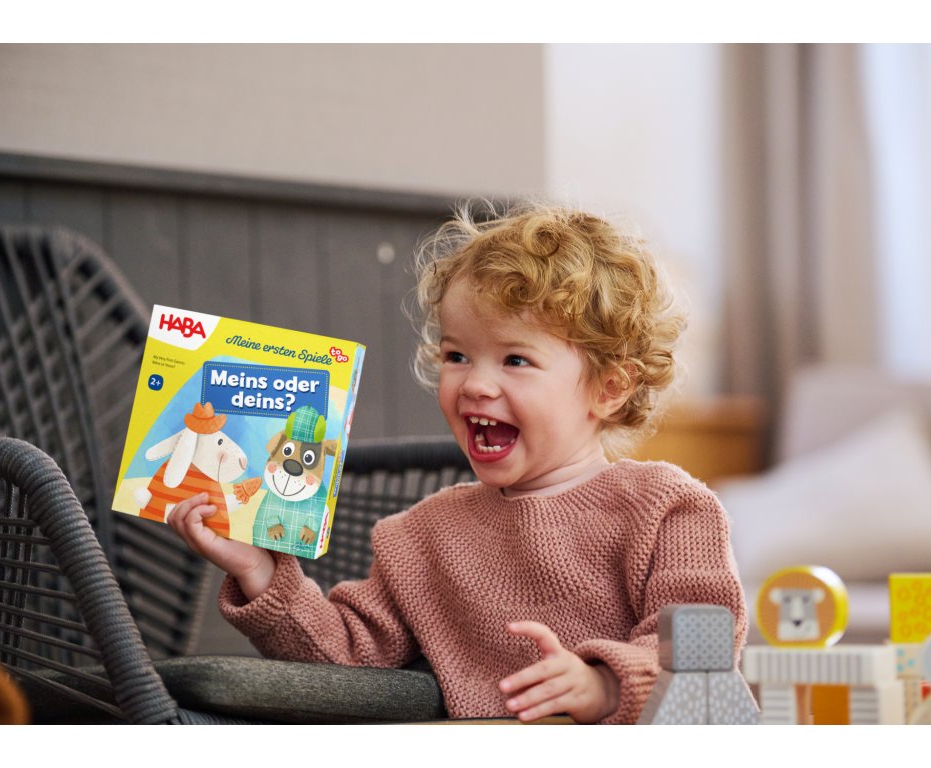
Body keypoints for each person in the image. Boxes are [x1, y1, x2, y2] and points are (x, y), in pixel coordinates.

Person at [167, 201, 747, 724]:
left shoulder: (668, 509)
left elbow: (703, 654)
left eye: (515, 359)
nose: (474, 384)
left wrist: (604, 686)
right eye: (457, 355)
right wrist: (260, 572)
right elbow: (342, 661)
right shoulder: (421, 536)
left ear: (609, 388)